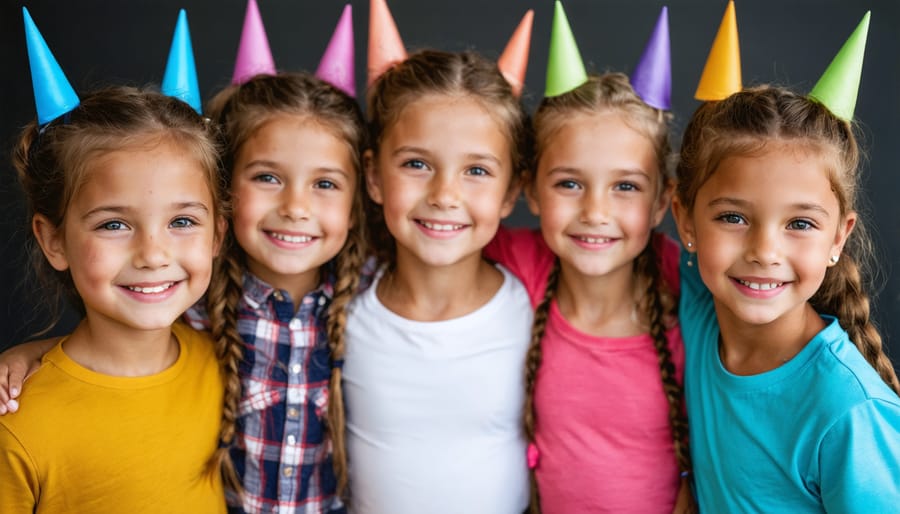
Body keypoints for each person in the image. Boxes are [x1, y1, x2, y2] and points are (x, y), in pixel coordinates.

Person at [671, 84, 900, 511]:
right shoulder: (697, 310)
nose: (764, 251)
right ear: (686, 221)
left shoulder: (848, 412)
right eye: (733, 217)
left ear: (838, 237)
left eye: (799, 223)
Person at [0, 84, 228, 512]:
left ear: (217, 234)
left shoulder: (224, 365)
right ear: (54, 241)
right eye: (113, 225)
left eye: (182, 221)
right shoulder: (17, 420)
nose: (153, 255)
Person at [485, 72, 691, 514]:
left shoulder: (689, 287)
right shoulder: (526, 265)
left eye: (626, 187)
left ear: (661, 202)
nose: (595, 212)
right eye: (570, 184)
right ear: (532, 190)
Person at [341, 49, 532, 514]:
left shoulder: (531, 307)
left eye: (477, 171)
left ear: (510, 192)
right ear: (373, 176)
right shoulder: (341, 312)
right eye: (416, 164)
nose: (444, 195)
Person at [191, 72, 367, 513]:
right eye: (268, 177)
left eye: (325, 184)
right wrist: (31, 355)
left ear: (356, 200)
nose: (295, 207)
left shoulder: (371, 301)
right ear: (225, 185)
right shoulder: (188, 304)